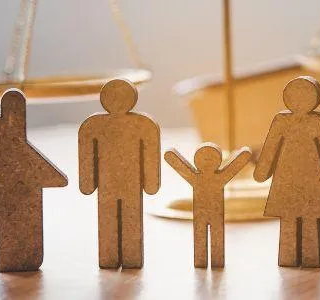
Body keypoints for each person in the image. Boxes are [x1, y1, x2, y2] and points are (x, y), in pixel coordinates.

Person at [254, 76, 320, 268]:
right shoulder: (281, 121)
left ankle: (310, 258)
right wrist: (262, 171)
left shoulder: (318, 121)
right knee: (292, 218)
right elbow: (271, 147)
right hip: (288, 178)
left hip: (311, 178)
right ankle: (290, 258)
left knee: (309, 219)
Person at [78, 79, 160, 269]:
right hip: (107, 184)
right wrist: (87, 182)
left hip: (131, 184)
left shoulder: (143, 124)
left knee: (131, 217)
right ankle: (110, 257)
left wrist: (150, 183)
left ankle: (130, 257)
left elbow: (150, 152)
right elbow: (87, 154)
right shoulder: (93, 125)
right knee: (108, 219)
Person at [165, 143, 251, 268]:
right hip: (201, 214)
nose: (207, 162)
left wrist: (244, 155)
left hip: (215, 214)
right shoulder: (196, 177)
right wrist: (170, 156)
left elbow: (234, 166)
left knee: (216, 236)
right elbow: (178, 165)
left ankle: (215, 261)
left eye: (211, 158)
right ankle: (202, 261)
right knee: (201, 236)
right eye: (204, 158)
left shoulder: (219, 177)